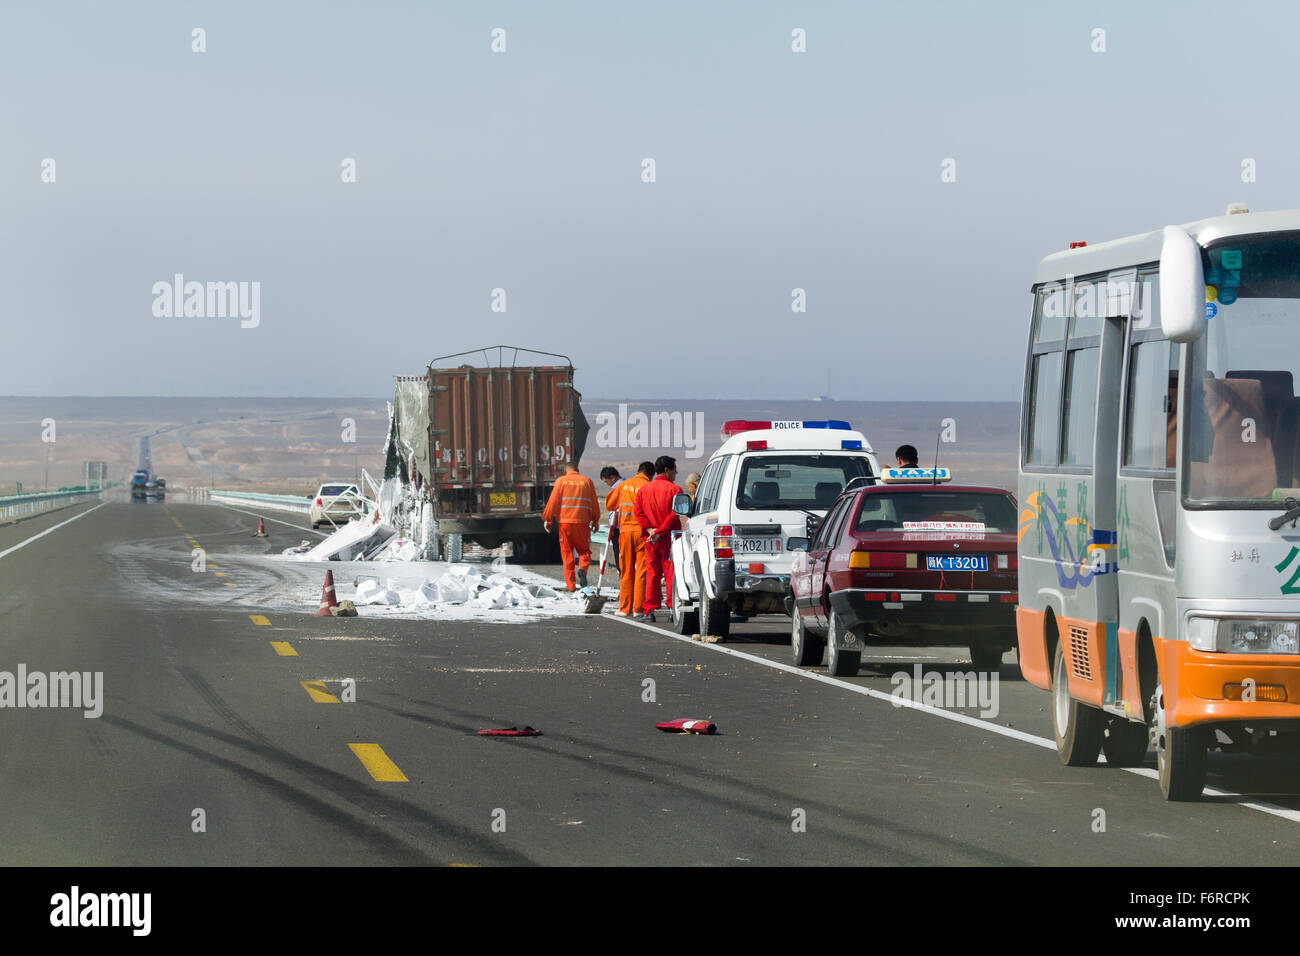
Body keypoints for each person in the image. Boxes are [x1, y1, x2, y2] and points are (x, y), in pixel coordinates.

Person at [633, 455, 682, 622]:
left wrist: (651, 530)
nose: (677, 472)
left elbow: (638, 513)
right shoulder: (675, 490)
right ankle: (671, 609)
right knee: (670, 574)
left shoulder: (644, 490)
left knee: (652, 574)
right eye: (674, 469)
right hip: (668, 538)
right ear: (667, 470)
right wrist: (660, 531)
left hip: (651, 539)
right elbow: (675, 515)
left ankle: (649, 611)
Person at [542, 462, 600, 591]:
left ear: (565, 471)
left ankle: (571, 586)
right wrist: (595, 520)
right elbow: (594, 502)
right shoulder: (587, 481)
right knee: (584, 551)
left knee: (567, 553)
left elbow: (553, 502)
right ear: (577, 470)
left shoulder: (561, 481)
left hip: (565, 524)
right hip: (583, 523)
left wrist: (548, 519)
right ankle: (582, 570)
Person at [610, 461, 653, 616]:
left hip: (626, 532)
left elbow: (609, 504)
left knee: (626, 570)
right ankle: (638, 609)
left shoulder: (624, 485)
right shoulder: (649, 487)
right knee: (642, 571)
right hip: (643, 533)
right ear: (651, 475)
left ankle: (625, 608)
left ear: (637, 471)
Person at [599, 466, 622, 571]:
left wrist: (612, 529)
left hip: (619, 528)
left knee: (620, 558)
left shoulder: (619, 488)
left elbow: (617, 510)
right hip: (624, 527)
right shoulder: (627, 484)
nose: (607, 484)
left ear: (613, 478)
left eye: (606, 481)